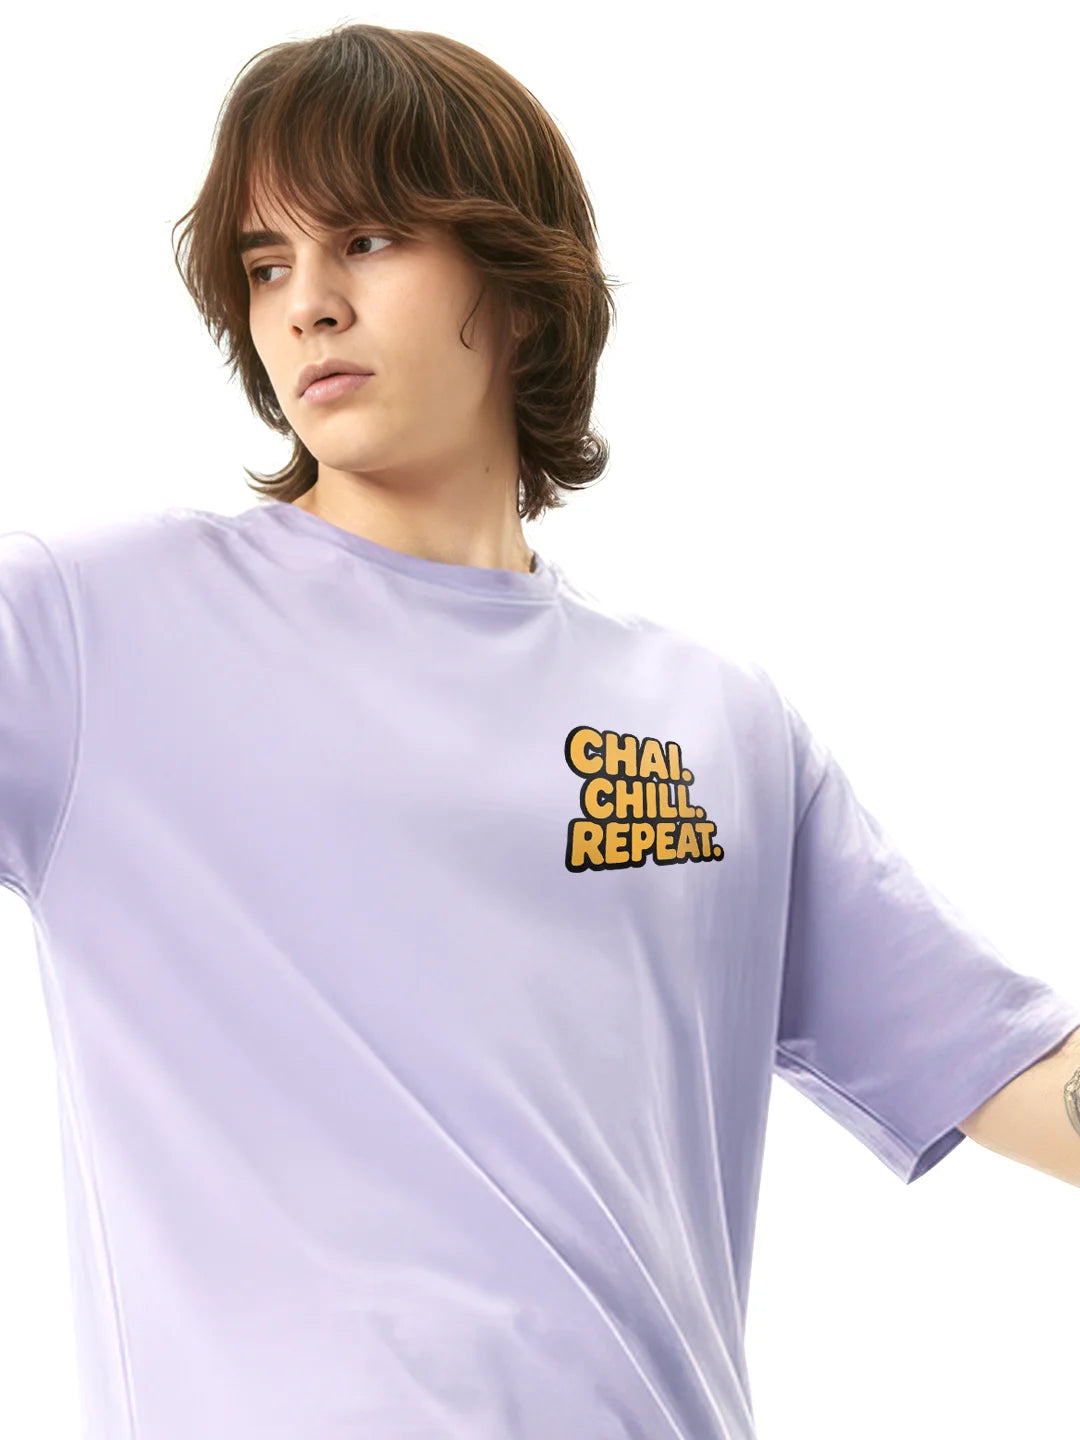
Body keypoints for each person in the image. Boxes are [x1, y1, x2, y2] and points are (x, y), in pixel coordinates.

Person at [1, 22, 1077, 1440]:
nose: (307, 303)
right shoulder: (91, 634)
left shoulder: (715, 722)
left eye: (366, 240)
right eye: (266, 266)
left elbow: (1017, 1074)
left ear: (516, 281)